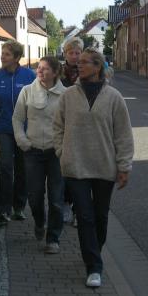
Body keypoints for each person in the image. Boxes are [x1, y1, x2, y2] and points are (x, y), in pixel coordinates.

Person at [53, 48, 134, 288]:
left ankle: (93, 251)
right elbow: (57, 127)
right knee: (85, 216)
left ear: (98, 67)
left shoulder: (114, 97)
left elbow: (123, 134)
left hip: (104, 166)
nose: (79, 65)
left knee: (100, 216)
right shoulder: (68, 95)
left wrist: (124, 166)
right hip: (75, 166)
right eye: (78, 62)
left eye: (85, 62)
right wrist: (62, 152)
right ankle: (94, 267)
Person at [12, 56, 67, 254]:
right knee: (34, 196)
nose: (40, 71)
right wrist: (23, 141)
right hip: (32, 151)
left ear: (55, 72)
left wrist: (64, 147)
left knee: (56, 198)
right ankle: (39, 222)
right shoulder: (27, 91)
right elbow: (17, 119)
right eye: (39, 68)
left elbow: (71, 123)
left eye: (45, 69)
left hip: (56, 153)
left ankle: (53, 238)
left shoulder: (66, 95)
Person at [0, 41, 36, 225]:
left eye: (7, 54)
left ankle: (19, 207)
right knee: (5, 167)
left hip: (25, 130)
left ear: (17, 57)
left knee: (23, 169)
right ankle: (3, 211)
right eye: (2, 53)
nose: (2, 57)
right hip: (4, 128)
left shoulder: (29, 76)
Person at [59, 37, 83, 226]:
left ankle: (78, 210)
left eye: (78, 52)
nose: (74, 56)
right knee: (65, 171)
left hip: (83, 128)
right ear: (65, 54)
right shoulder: (58, 73)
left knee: (82, 173)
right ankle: (66, 204)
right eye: (71, 52)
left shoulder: (87, 72)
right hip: (63, 127)